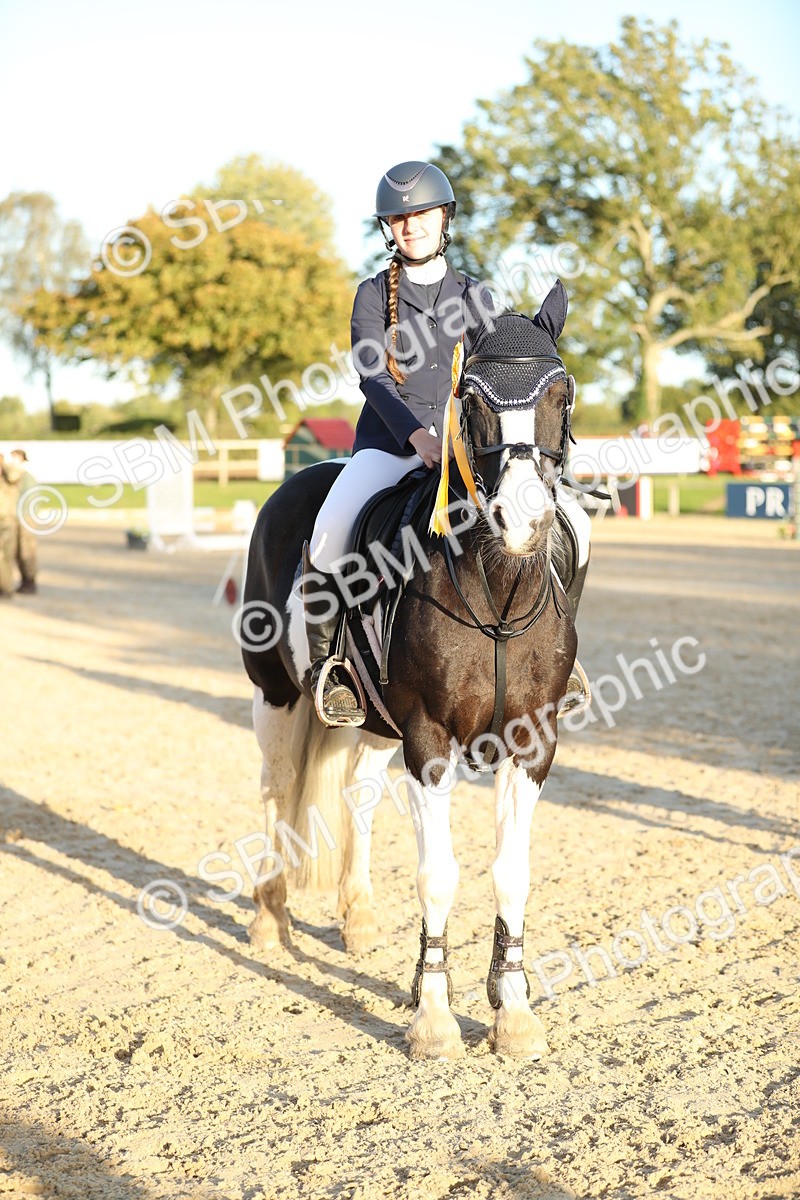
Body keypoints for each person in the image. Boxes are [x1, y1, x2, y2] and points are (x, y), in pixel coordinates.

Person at [303, 160, 590, 727]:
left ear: (444, 219)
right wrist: (417, 436)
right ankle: (329, 667)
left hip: (467, 452)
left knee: (573, 525)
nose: (410, 227)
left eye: (421, 215)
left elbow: (499, 377)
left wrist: (475, 440)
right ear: (389, 229)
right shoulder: (369, 296)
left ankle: (563, 657)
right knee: (330, 531)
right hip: (389, 446)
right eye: (399, 219)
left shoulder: (477, 297)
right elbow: (372, 377)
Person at [10, 449, 37, 594]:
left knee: (27, 550)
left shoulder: (26, 476)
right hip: (17, 517)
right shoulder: (17, 475)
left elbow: (30, 498)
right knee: (18, 550)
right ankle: (25, 580)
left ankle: (29, 580)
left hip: (25, 517)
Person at [0, 453, 21, 599]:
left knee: (6, 556)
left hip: (6, 522)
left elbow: (14, 475)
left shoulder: (9, 479)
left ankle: (6, 588)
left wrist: (4, 464)